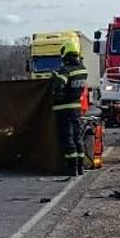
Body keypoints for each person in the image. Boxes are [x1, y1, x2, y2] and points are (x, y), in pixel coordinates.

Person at [51, 40, 89, 176]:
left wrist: (55, 79)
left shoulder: (65, 71)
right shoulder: (82, 70)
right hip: (77, 109)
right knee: (78, 138)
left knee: (67, 139)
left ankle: (72, 169)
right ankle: (81, 167)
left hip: (63, 109)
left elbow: (58, 88)